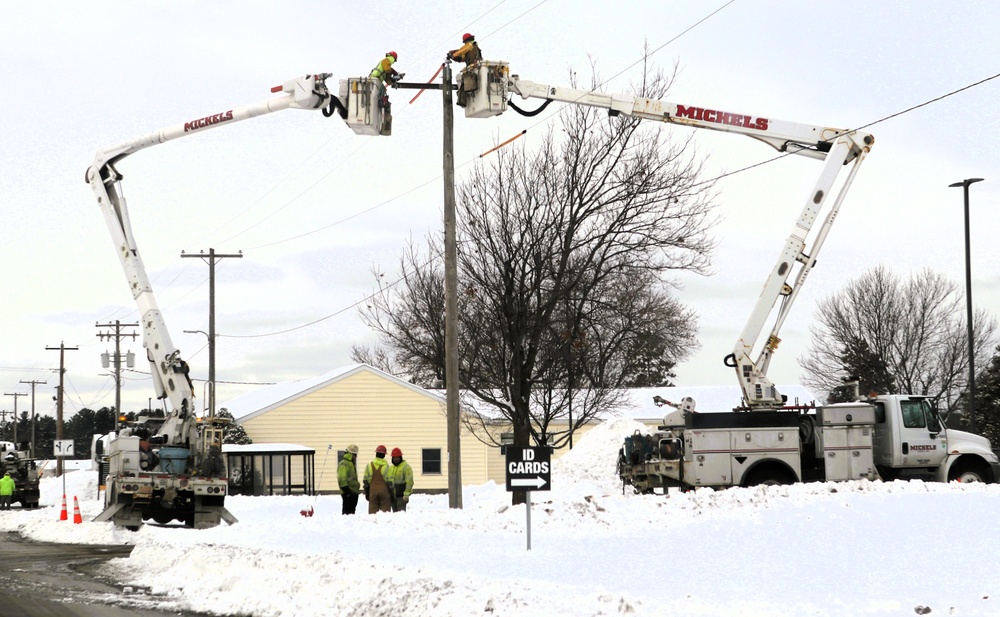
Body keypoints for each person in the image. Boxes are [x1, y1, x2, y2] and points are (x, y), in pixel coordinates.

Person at [446, 33, 483, 107]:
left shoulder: (469, 45)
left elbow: (460, 52)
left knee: (463, 84)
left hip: (473, 68)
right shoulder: (473, 47)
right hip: (476, 68)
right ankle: (465, 99)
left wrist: (452, 55)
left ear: (466, 41)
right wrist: (454, 57)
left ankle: (462, 101)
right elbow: (462, 58)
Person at [363, 445, 392, 514]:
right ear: (384, 455)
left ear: (376, 454)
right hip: (384, 493)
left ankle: (373, 524)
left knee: (372, 514)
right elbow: (390, 482)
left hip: (373, 492)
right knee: (385, 514)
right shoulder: (386, 467)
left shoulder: (369, 465)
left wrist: (367, 493)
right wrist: (392, 494)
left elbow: (365, 481)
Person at [386, 448, 414, 513]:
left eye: (397, 457)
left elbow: (409, 482)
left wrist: (406, 494)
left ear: (400, 457)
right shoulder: (391, 468)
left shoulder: (406, 467)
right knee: (394, 514)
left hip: (401, 496)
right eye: (394, 457)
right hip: (393, 496)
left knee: (400, 515)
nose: (395, 459)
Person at [337, 444, 361, 515]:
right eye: (355, 455)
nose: (356, 457)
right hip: (348, 493)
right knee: (347, 513)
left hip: (353, 493)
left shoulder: (350, 463)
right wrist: (347, 491)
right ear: (351, 454)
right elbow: (342, 479)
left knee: (351, 513)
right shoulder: (344, 464)